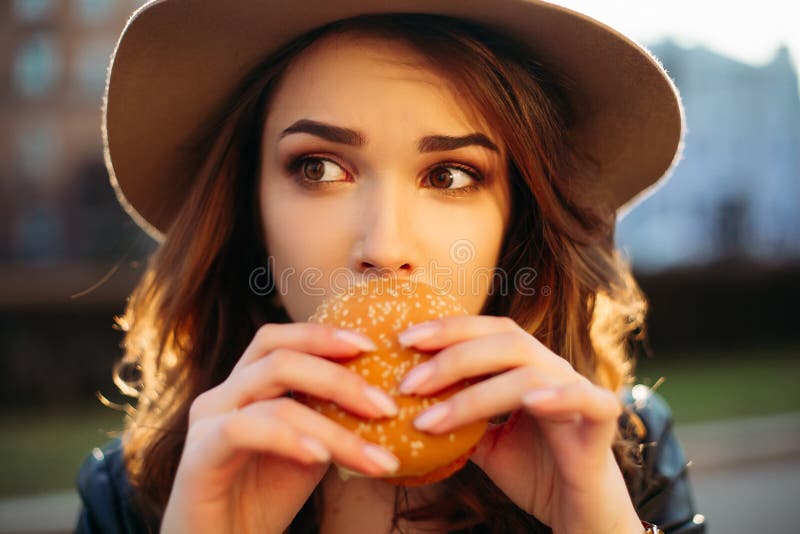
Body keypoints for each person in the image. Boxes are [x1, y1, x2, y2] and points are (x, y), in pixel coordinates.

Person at [76, 1, 706, 533]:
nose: (383, 246)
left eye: (450, 175)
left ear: (516, 223)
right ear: (250, 210)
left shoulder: (623, 452)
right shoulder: (131, 497)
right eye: (319, 167)